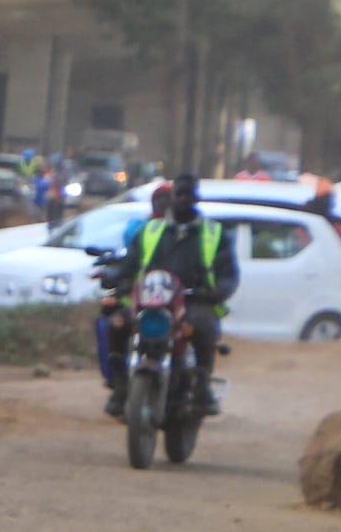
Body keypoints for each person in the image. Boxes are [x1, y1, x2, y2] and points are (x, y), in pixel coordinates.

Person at [94, 174, 238, 417]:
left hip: (193, 300)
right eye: (178, 194)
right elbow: (130, 263)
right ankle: (119, 387)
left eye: (187, 195)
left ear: (196, 198)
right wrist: (113, 275)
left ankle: (202, 388)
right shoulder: (150, 230)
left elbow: (228, 273)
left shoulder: (214, 233)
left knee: (203, 327)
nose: (182, 200)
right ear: (171, 197)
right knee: (116, 324)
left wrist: (217, 292)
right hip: (150, 298)